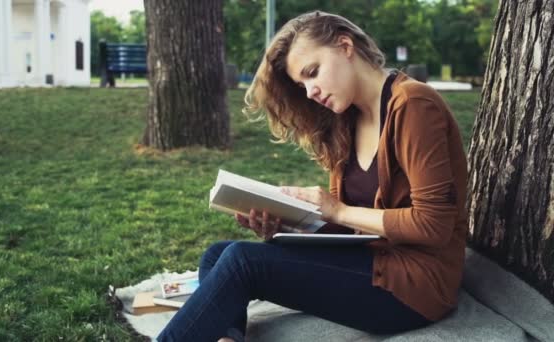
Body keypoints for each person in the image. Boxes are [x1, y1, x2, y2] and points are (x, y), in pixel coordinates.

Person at [157, 10, 468, 342]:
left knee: (241, 262)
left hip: (416, 286)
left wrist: (337, 210)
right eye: (302, 83)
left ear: (345, 45)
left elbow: (435, 226)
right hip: (370, 261)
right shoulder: (345, 120)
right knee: (218, 254)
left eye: (312, 72)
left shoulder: (413, 104)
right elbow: (351, 230)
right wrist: (287, 225)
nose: (310, 92)